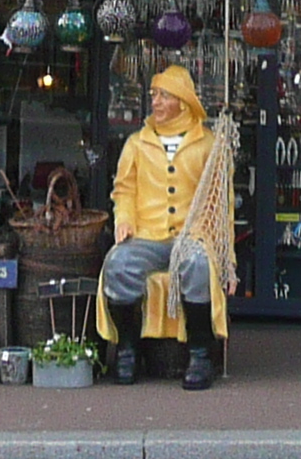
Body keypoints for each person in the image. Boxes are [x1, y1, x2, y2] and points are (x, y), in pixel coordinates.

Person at [96, 62, 237, 389]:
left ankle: (200, 352)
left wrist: (225, 256)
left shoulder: (207, 145)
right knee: (118, 266)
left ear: (182, 102)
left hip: (191, 238)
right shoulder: (136, 143)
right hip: (146, 236)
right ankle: (128, 349)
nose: (155, 102)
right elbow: (124, 189)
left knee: (197, 265)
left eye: (163, 96)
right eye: (154, 95)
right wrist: (125, 220)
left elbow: (220, 203)